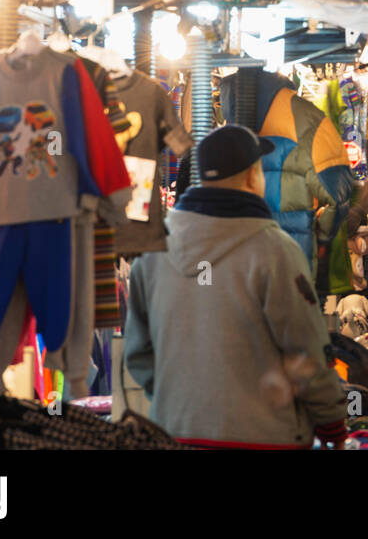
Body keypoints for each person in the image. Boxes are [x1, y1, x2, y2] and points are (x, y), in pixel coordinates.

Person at [124, 125, 349, 449]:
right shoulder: (276, 251)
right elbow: (307, 353)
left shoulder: (153, 249)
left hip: (173, 433)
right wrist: (333, 425)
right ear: (251, 176)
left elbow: (137, 353)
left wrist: (179, 401)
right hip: (264, 438)